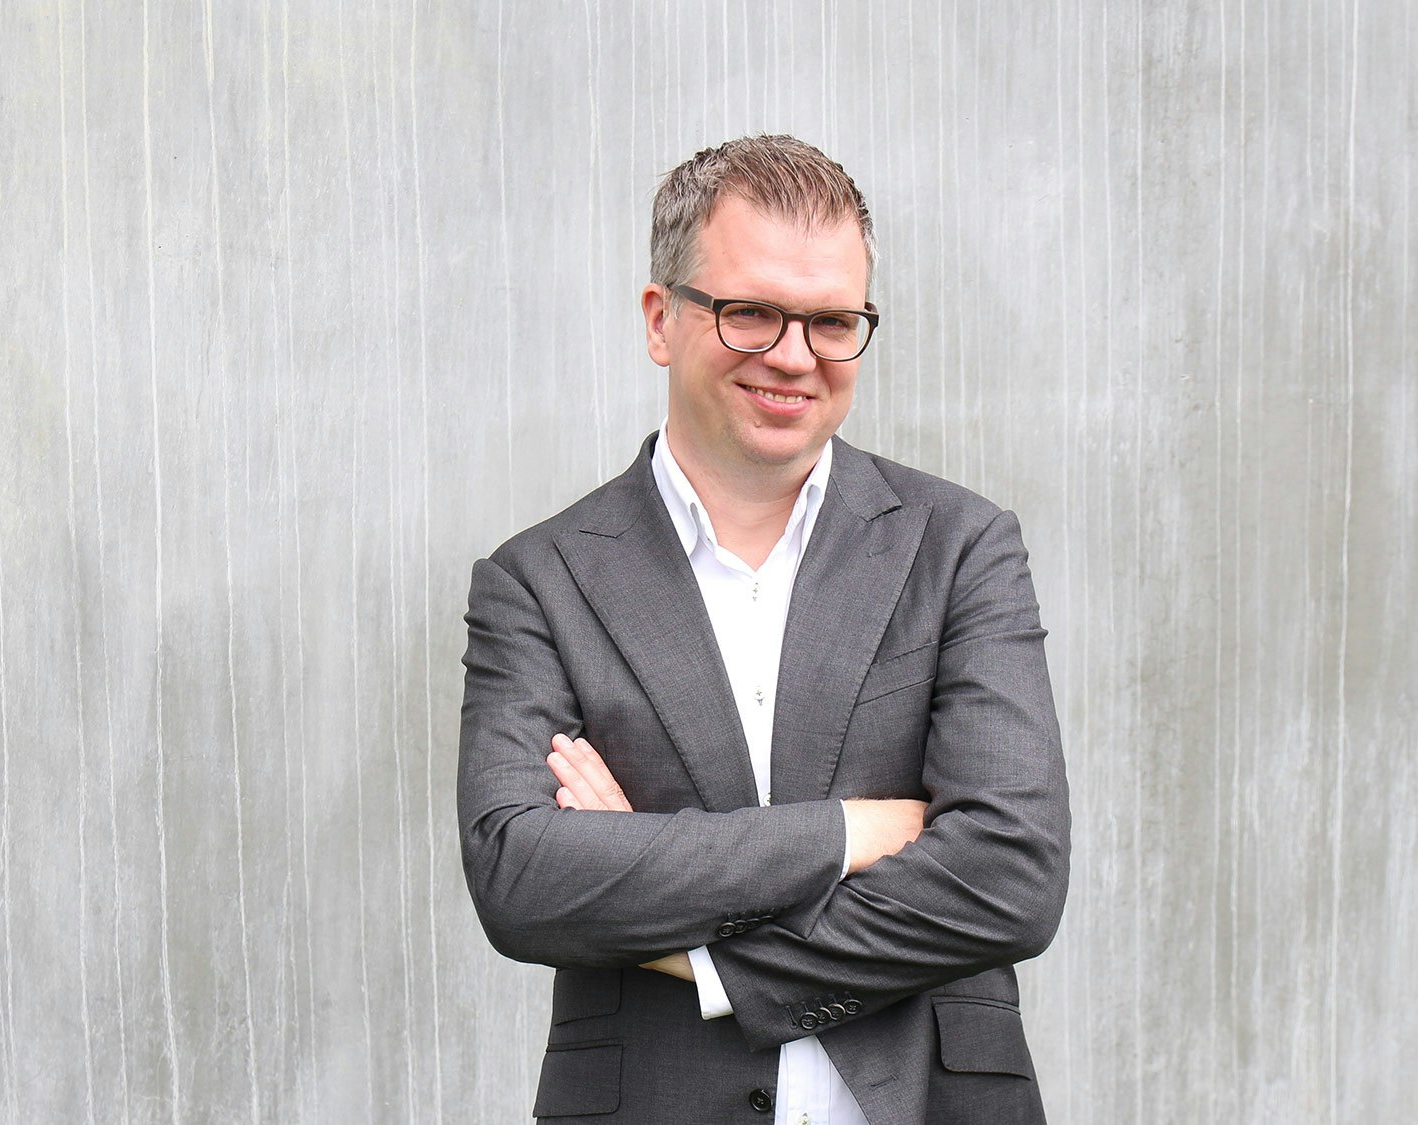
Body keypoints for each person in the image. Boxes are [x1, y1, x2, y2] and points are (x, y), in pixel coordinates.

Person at [458, 135, 1070, 1125]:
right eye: (751, 313)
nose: (794, 356)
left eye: (832, 321)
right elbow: (521, 878)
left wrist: (686, 943)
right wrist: (847, 833)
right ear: (662, 319)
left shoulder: (960, 549)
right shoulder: (539, 581)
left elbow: (1013, 877)